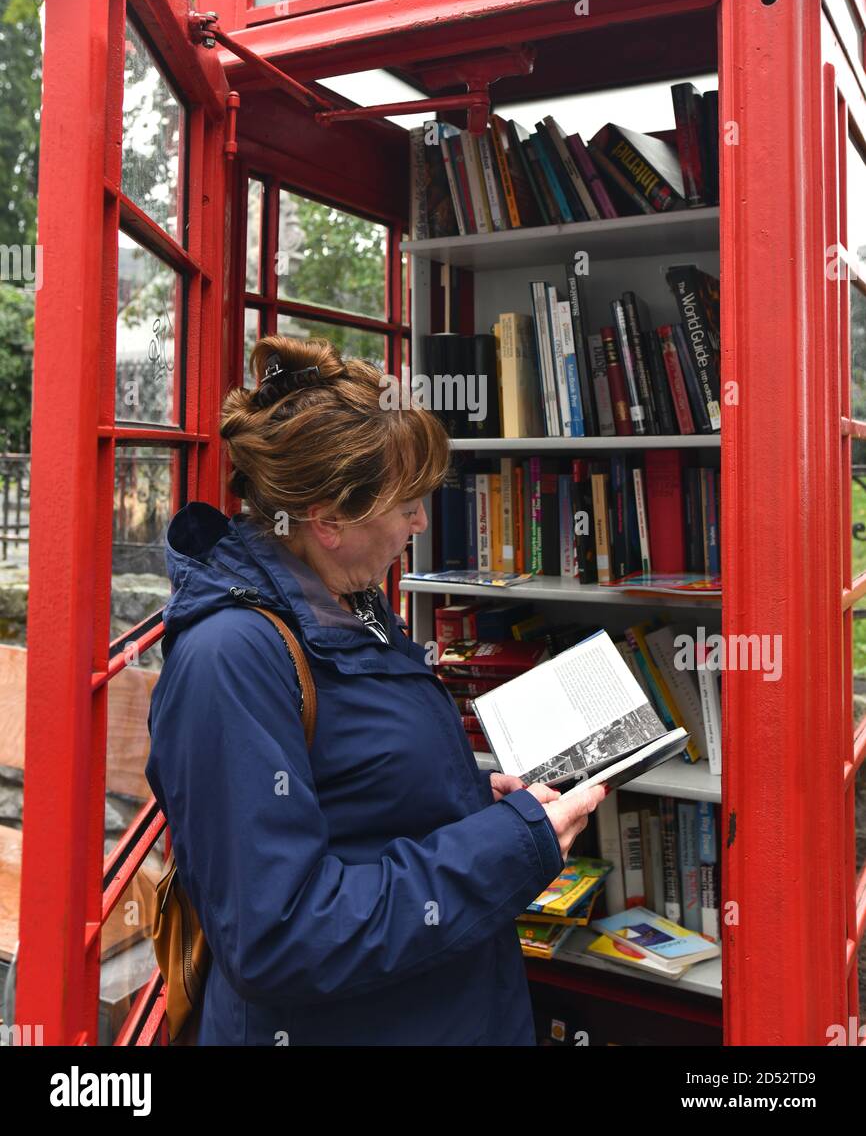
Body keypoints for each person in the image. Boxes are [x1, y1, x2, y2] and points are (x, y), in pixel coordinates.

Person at [145, 335, 606, 1046]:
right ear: (327, 520)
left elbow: (350, 793)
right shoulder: (228, 658)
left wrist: (470, 806)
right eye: (406, 505)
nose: (421, 523)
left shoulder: (346, 599)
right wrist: (512, 847)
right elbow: (280, 935)